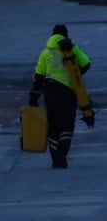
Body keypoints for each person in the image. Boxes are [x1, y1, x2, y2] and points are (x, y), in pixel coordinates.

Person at [28, 24, 93, 169]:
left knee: (53, 125)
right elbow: (86, 64)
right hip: (69, 92)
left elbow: (38, 76)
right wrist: (75, 73)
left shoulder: (45, 53)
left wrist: (33, 98)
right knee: (67, 123)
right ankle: (63, 149)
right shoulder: (72, 49)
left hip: (51, 92)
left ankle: (57, 159)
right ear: (65, 36)